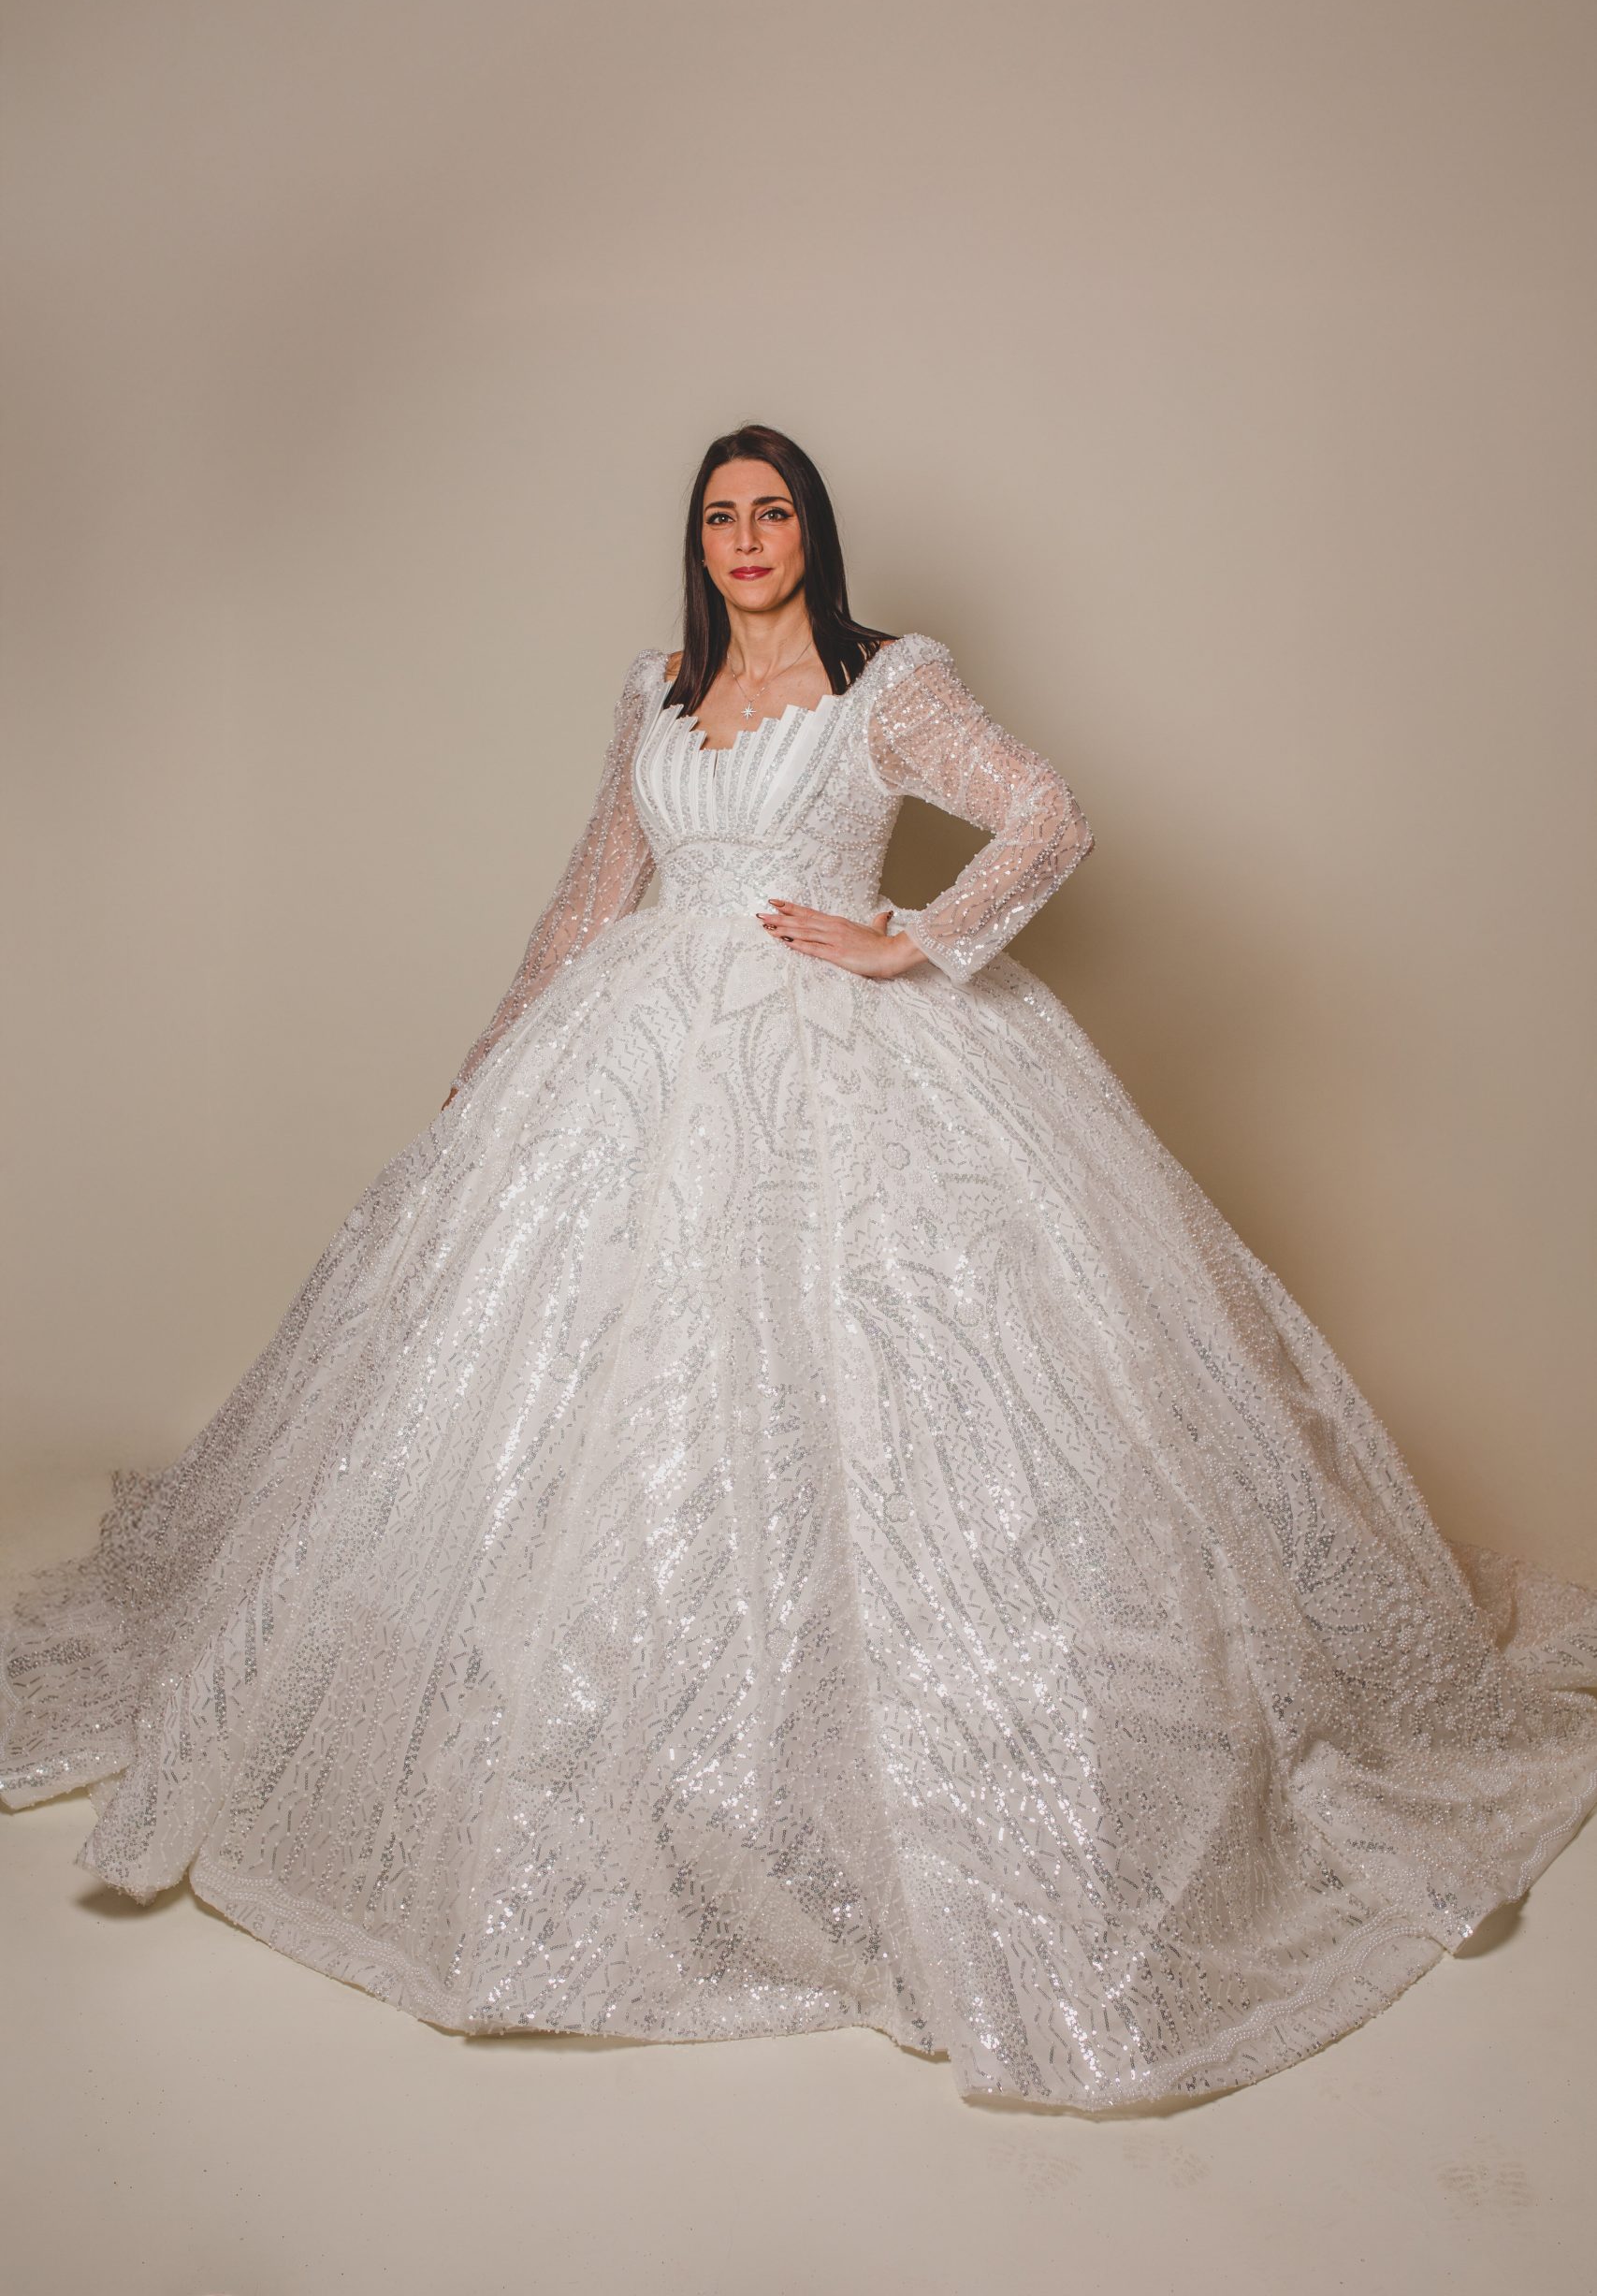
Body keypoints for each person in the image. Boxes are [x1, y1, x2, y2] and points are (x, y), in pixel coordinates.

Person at [3, 422, 1594, 2113]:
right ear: (698, 543)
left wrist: (917, 938)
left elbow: (1046, 814)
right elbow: (592, 896)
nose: (747, 537)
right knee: (585, 1409)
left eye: (773, 512)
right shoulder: (657, 691)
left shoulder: (888, 683)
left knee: (900, 1396)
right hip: (634, 1062)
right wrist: (496, 1059)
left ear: (810, 534)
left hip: (842, 1065)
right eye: (721, 516)